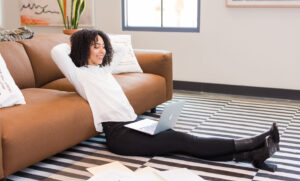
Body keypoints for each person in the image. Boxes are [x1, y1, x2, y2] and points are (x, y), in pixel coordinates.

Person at [51, 29, 280, 171]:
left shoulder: (104, 70)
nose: (102, 51)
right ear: (82, 49)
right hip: (120, 136)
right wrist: (79, 38)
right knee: (183, 141)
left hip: (135, 125)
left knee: (183, 142)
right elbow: (57, 51)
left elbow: (118, 49)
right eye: (95, 46)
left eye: (102, 46)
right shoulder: (78, 74)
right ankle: (253, 143)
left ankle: (251, 155)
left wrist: (98, 39)